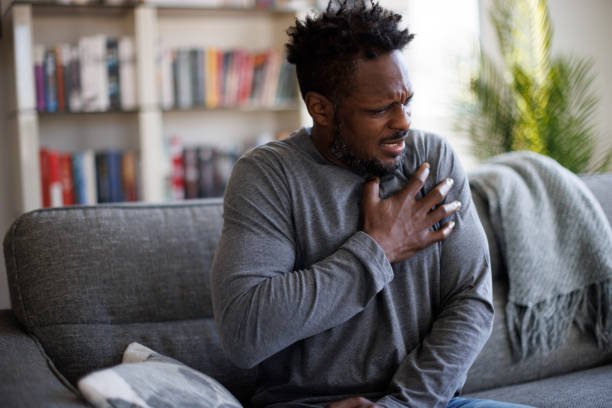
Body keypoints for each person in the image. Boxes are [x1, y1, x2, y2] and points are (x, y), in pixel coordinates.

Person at [211, 1, 529, 407]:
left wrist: (400, 404)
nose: (403, 122)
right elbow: (244, 334)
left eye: (407, 101)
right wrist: (377, 249)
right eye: (380, 110)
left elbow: (471, 299)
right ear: (320, 108)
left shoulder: (431, 158)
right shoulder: (268, 176)